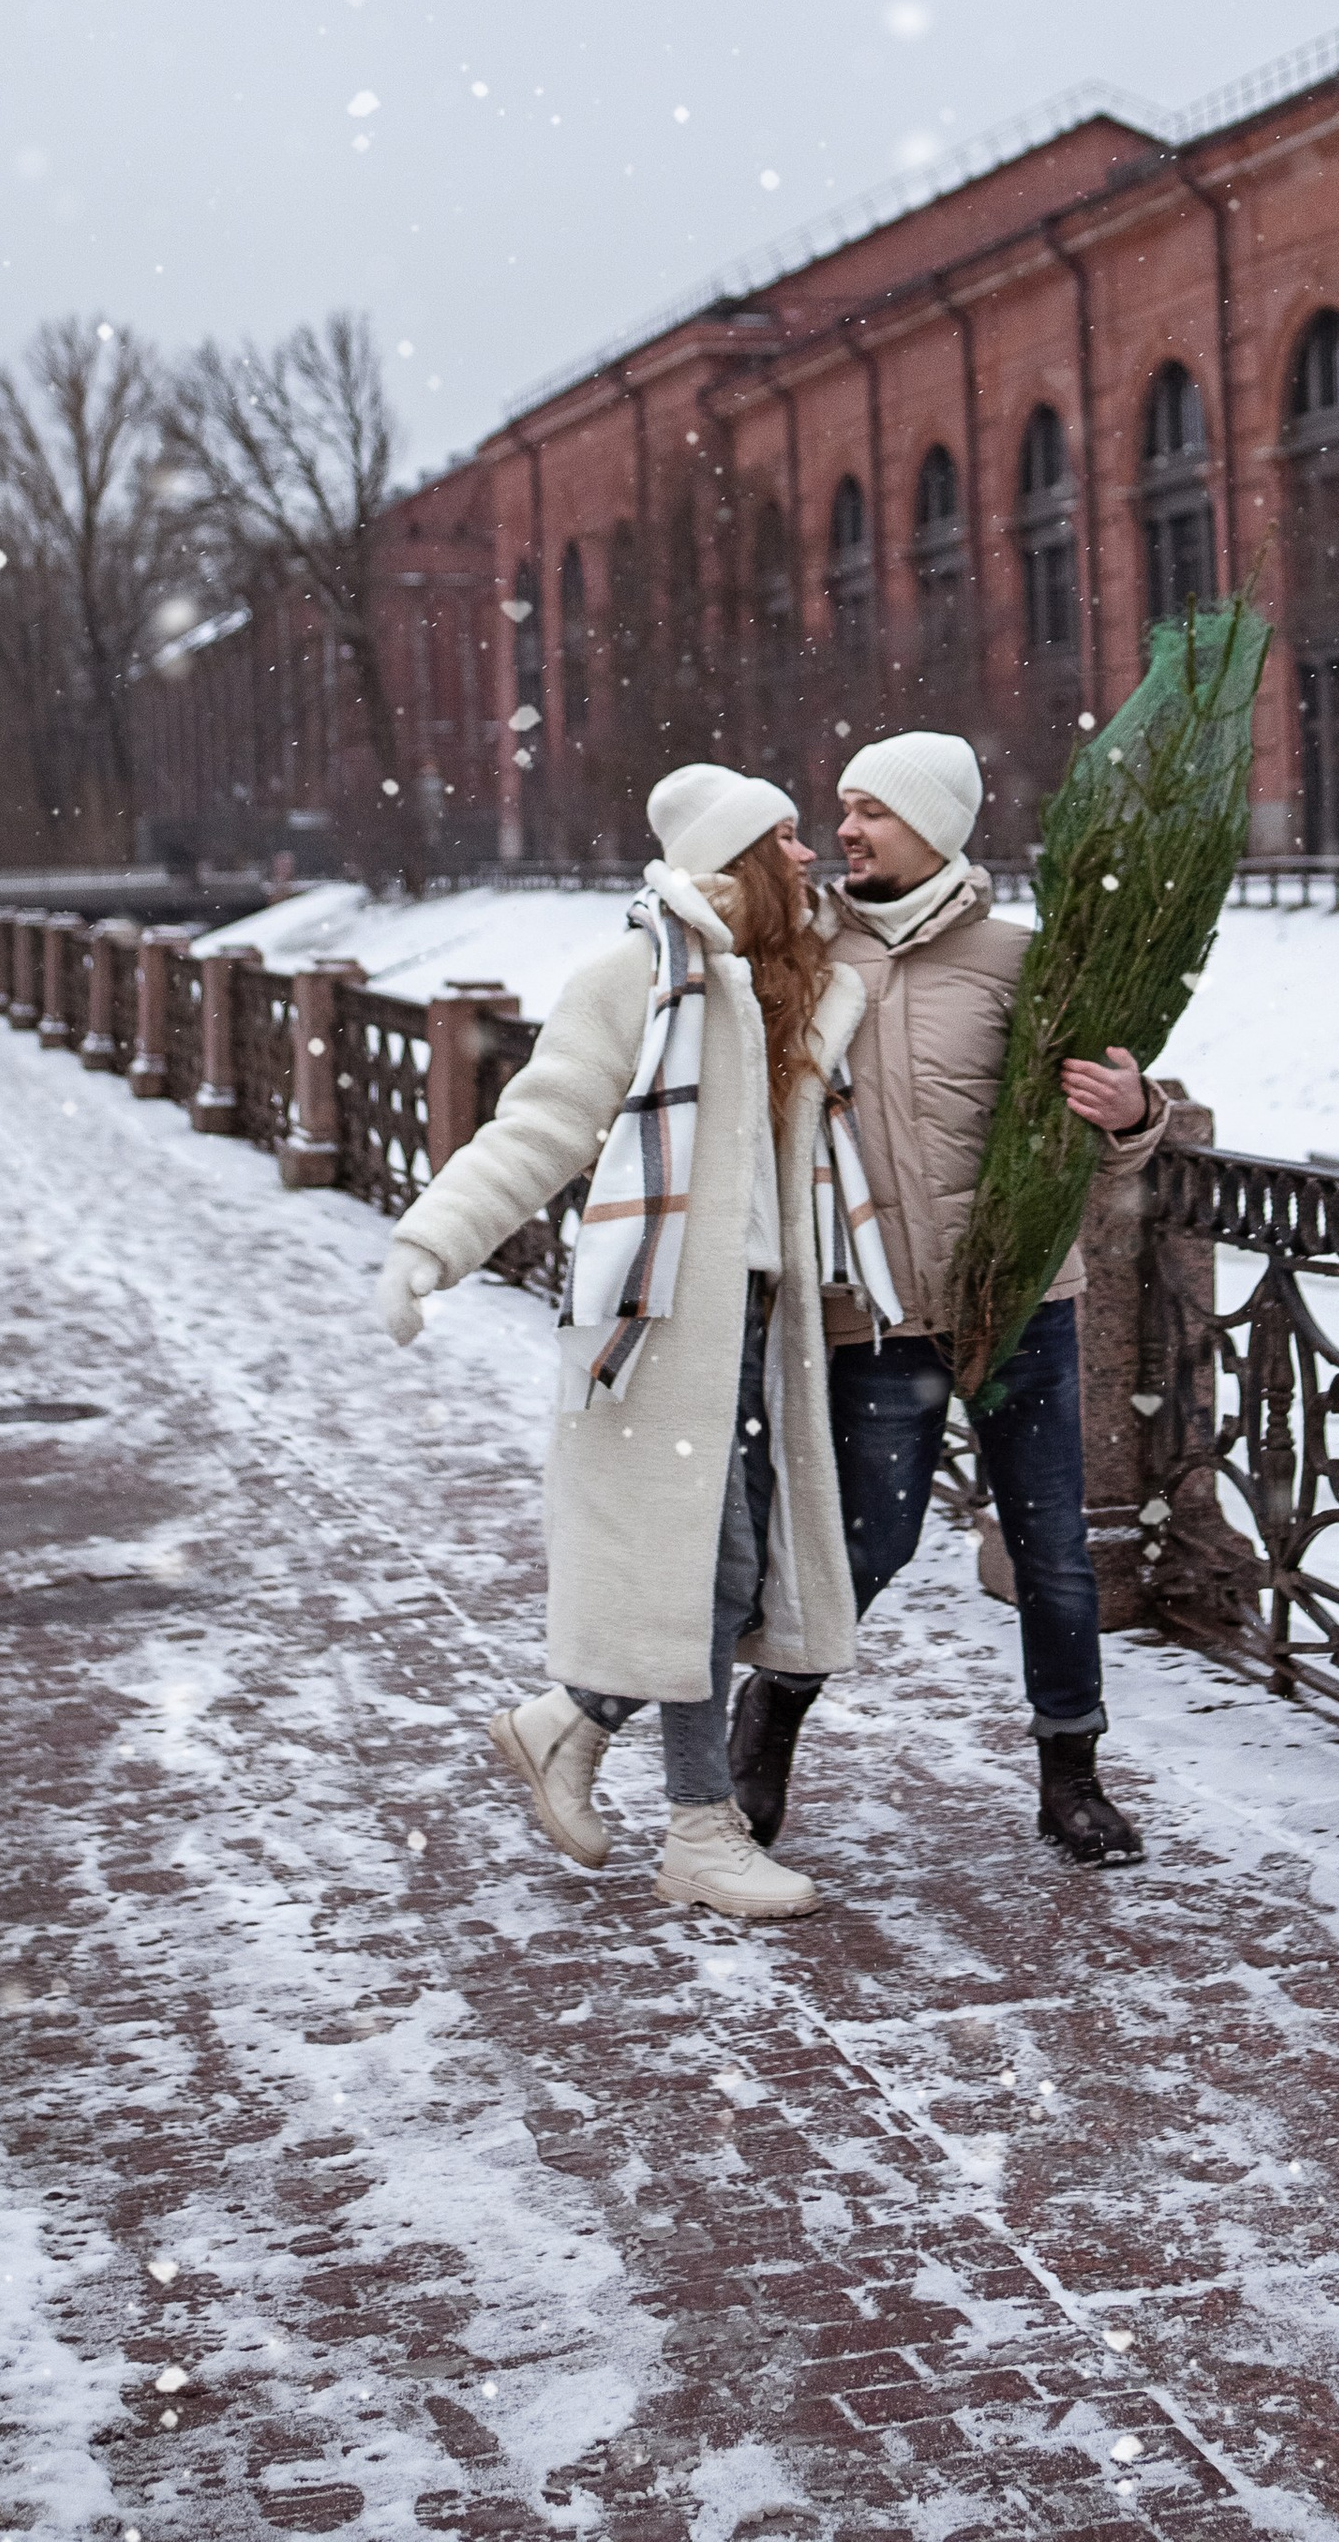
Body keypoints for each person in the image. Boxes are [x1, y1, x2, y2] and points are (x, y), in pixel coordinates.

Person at [374, 762, 890, 1923]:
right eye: (786, 837)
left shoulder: (778, 979)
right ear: (738, 854)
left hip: (751, 1323)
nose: (808, 853)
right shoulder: (640, 976)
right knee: (705, 1570)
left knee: (728, 1572)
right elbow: (539, 1127)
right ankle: (697, 1829)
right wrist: (431, 1244)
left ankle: (571, 1722)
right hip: (659, 1321)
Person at [728, 729, 1164, 1869]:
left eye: (871, 810)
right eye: (842, 807)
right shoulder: (804, 957)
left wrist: (1134, 1113)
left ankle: (1072, 1776)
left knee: (1052, 1548)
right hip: (871, 1313)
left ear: (934, 825)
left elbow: (1100, 1128)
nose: (846, 830)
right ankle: (768, 1723)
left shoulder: (1023, 960)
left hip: (1022, 1302)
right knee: (865, 1545)